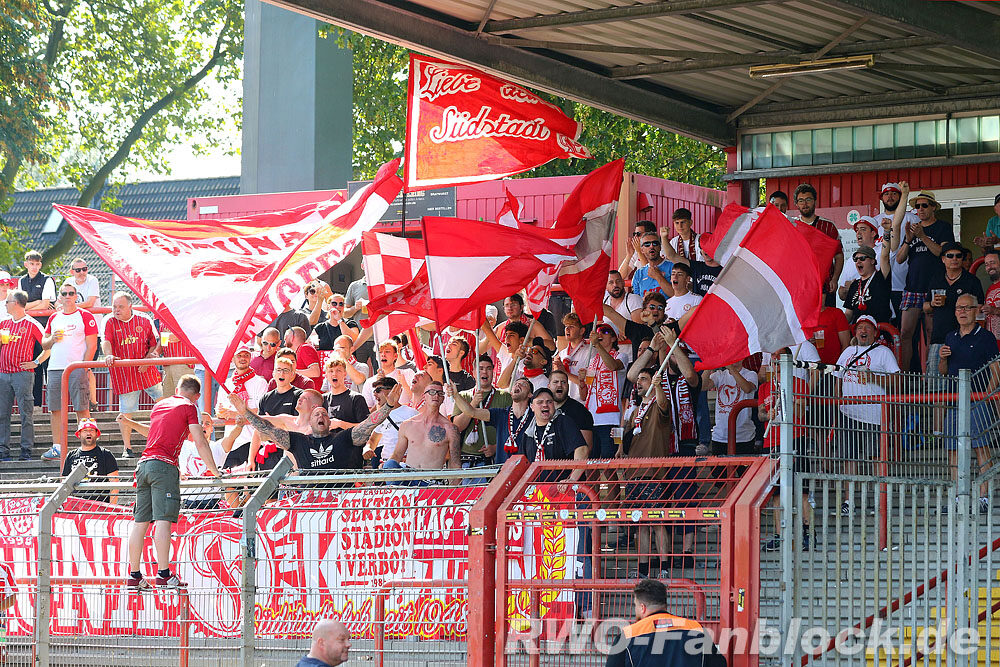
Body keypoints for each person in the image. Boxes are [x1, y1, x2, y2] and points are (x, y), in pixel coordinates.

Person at [125, 374, 221, 590]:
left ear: (177, 388)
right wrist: (214, 471)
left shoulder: (160, 405)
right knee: (163, 520)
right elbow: (200, 441)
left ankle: (134, 575)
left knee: (140, 523)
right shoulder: (189, 407)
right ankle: (163, 573)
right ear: (196, 396)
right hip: (164, 466)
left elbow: (154, 433)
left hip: (143, 464)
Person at [232, 381, 401, 473]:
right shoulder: (297, 441)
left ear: (330, 422)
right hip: (306, 498)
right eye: (316, 415)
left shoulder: (343, 438)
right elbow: (267, 428)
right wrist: (245, 412)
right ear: (310, 423)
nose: (320, 416)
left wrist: (388, 407)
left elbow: (369, 424)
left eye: (324, 414)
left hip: (337, 501)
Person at [834, 315, 900, 514]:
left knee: (876, 458)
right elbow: (838, 378)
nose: (863, 331)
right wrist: (838, 403)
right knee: (849, 458)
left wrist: (874, 377)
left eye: (867, 328)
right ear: (855, 332)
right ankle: (849, 502)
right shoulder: (847, 352)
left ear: (875, 333)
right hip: (848, 412)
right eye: (859, 327)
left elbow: (897, 382)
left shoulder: (883, 352)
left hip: (874, 414)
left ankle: (879, 501)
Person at [940, 294, 999, 514]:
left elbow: (996, 369)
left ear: (976, 311)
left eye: (967, 307)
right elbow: (943, 372)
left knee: (981, 448)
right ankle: (957, 495)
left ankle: (984, 496)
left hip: (977, 401)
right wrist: (943, 358)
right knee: (953, 450)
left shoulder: (986, 337)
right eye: (958, 308)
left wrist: (986, 396)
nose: (962, 311)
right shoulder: (950, 336)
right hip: (955, 402)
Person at [892, 184, 954, 371]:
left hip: (934, 287)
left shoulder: (942, 227)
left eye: (924, 206)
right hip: (912, 287)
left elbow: (942, 253)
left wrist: (923, 236)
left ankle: (930, 375)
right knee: (905, 334)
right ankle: (906, 375)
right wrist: (910, 238)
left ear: (933, 207)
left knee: (931, 333)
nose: (920, 209)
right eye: (917, 206)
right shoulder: (913, 229)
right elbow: (900, 259)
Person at [620, 367, 673, 577]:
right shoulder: (634, 410)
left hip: (653, 473)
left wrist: (658, 386)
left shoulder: (658, 403)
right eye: (638, 379)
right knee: (639, 523)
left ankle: (664, 568)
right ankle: (643, 569)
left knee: (658, 521)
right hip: (634, 473)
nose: (639, 382)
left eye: (644, 379)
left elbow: (663, 404)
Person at [605, 578, 725, 667]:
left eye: (635, 606)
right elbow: (720, 664)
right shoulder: (696, 628)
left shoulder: (627, 636)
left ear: (642, 607)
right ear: (664, 603)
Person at [39, 282, 97, 462]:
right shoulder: (54, 317)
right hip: (55, 367)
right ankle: (57, 447)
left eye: (71, 293)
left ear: (76, 295)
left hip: (76, 367)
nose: (68, 296)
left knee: (82, 408)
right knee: (54, 409)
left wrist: (84, 367)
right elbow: (44, 343)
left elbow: (92, 345)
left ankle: (89, 448)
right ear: (60, 297)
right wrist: (51, 339)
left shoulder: (85, 315)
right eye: (64, 293)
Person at [103, 292, 164, 457]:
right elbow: (106, 342)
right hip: (124, 373)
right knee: (126, 411)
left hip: (146, 369)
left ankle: (166, 438)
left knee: (164, 403)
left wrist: (148, 359)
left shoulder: (144, 319)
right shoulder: (108, 321)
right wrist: (108, 354)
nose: (116, 310)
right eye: (114, 306)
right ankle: (127, 448)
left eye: (120, 306)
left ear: (130, 306)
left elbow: (155, 342)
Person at [925, 242, 984, 381]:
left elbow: (980, 308)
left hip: (966, 338)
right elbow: (925, 307)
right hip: (939, 338)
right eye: (950, 256)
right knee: (936, 389)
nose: (955, 259)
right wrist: (933, 303)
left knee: (964, 385)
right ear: (943, 259)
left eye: (958, 256)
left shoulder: (972, 281)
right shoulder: (936, 279)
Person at [0, 290, 44, 461]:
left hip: (23, 374)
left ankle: (26, 450)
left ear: (16, 303)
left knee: (26, 413)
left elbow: (47, 345)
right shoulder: (4, 323)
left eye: (8, 301)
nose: (5, 304)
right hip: (3, 373)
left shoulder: (32, 324)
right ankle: (3, 450)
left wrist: (36, 362)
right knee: (3, 413)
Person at [385, 380, 461, 477]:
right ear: (424, 396)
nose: (436, 395)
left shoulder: (450, 429)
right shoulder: (408, 425)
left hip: (431, 481)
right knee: (389, 464)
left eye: (440, 393)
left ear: (443, 398)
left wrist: (455, 489)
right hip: (408, 479)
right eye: (432, 392)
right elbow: (397, 456)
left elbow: (455, 464)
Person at [452, 357, 515, 466]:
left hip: (495, 459)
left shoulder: (505, 397)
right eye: (480, 368)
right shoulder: (463, 396)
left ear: (493, 372)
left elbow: (513, 428)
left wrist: (496, 447)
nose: (484, 372)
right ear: (474, 372)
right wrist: (474, 403)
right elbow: (457, 427)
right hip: (468, 459)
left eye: (488, 368)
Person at [214, 345, 269, 467]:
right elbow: (220, 410)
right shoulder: (227, 384)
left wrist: (234, 414)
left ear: (250, 358)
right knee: (229, 485)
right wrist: (221, 412)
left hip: (253, 442)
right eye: (239, 356)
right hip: (232, 443)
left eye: (246, 355)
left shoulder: (260, 382)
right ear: (233, 359)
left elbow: (259, 412)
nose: (242, 358)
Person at [247, 356, 304, 470]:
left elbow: (298, 427)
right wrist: (250, 459)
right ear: (273, 374)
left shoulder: (299, 396)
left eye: (286, 370)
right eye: (278, 370)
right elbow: (258, 429)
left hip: (290, 452)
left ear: (292, 375)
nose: (281, 373)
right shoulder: (266, 398)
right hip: (268, 454)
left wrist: (272, 422)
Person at [792, 183, 844, 303]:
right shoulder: (793, 227)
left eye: (808, 199)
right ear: (796, 204)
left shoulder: (828, 227)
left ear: (815, 201)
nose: (805, 204)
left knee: (826, 320)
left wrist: (835, 279)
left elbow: (839, 256)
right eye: (801, 200)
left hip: (825, 286)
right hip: (801, 288)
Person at [580, 323, 625, 459]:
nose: (599, 333)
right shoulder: (592, 361)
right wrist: (581, 382)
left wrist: (597, 346)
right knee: (590, 462)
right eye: (597, 331)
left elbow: (612, 366)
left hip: (613, 419)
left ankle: (612, 482)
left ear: (613, 338)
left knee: (611, 461)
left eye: (605, 331)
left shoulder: (621, 356)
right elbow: (584, 396)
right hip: (591, 419)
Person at [873, 182, 916, 325]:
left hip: (904, 283)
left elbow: (897, 224)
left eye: (894, 193)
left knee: (905, 333)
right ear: (881, 198)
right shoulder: (875, 221)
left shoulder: (911, 218)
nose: (890, 197)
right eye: (886, 194)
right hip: (880, 284)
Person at [19, 250, 56, 408]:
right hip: (28, 330)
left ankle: (53, 407)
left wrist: (29, 305)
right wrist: (38, 302)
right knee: (34, 367)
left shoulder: (47, 279)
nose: (34, 267)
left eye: (37, 264)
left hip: (46, 328)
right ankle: (37, 407)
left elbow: (45, 304)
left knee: (49, 367)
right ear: (26, 264)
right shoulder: (21, 281)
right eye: (31, 264)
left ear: (41, 264)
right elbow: (21, 306)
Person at [704, 359, 758, 455]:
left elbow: (747, 388)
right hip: (720, 436)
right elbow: (703, 386)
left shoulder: (751, 374)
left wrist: (731, 369)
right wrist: (708, 366)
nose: (735, 357)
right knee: (719, 470)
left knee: (745, 470)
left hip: (744, 436)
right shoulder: (719, 374)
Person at [61, 418, 120, 504]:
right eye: (85, 430)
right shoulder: (71, 455)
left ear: (97, 434)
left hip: (99, 509)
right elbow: (64, 484)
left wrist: (111, 509)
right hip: (75, 509)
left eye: (92, 430)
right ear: (79, 434)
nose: (88, 433)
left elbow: (114, 484)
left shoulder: (106, 455)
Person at [365, 376, 419, 468]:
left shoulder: (412, 413)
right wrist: (367, 449)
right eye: (373, 391)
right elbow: (373, 440)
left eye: (378, 390)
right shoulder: (380, 416)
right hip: (385, 464)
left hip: (405, 465)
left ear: (393, 390)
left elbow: (420, 441)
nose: (374, 394)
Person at [842, 244, 892, 325]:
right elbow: (848, 313)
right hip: (858, 331)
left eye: (862, 258)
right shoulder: (854, 285)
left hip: (879, 330)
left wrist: (886, 233)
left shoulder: (881, 277)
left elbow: (885, 257)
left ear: (872, 261)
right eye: (856, 259)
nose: (858, 261)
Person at [360, 340, 414, 408]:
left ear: (395, 356)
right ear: (376, 357)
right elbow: (368, 412)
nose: (383, 354)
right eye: (380, 352)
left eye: (387, 351)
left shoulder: (408, 373)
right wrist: (378, 388)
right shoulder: (369, 382)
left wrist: (405, 384)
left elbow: (417, 400)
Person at [837, 217, 885, 292]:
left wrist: (853, 286)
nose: (858, 233)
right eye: (857, 230)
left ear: (873, 233)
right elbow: (841, 292)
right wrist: (848, 289)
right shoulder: (851, 259)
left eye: (863, 229)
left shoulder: (882, 251)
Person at [322, 358, 370, 432]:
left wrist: (341, 424)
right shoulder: (322, 399)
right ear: (326, 376)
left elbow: (366, 426)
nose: (334, 374)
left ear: (345, 374)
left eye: (338, 371)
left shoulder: (356, 398)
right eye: (331, 371)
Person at [556, 312, 592, 401]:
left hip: (582, 402)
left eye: (571, 326)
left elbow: (590, 383)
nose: (567, 329)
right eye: (566, 326)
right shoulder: (562, 353)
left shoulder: (591, 352)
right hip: (564, 400)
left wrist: (565, 373)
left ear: (582, 331)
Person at [631, 232, 673, 298]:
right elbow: (636, 301)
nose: (651, 246)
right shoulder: (638, 274)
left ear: (660, 247)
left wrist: (658, 276)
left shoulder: (673, 267)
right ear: (642, 250)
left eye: (655, 243)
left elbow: (677, 295)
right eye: (647, 244)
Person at [285, 326, 322, 390]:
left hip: (311, 395)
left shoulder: (305, 348)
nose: (284, 342)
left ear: (292, 337)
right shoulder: (298, 351)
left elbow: (315, 372)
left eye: (285, 338)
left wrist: (292, 372)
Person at [982, 251, 1000, 342]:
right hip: (993, 344)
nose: (989, 267)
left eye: (993, 262)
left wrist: (995, 310)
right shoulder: (990, 289)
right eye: (986, 264)